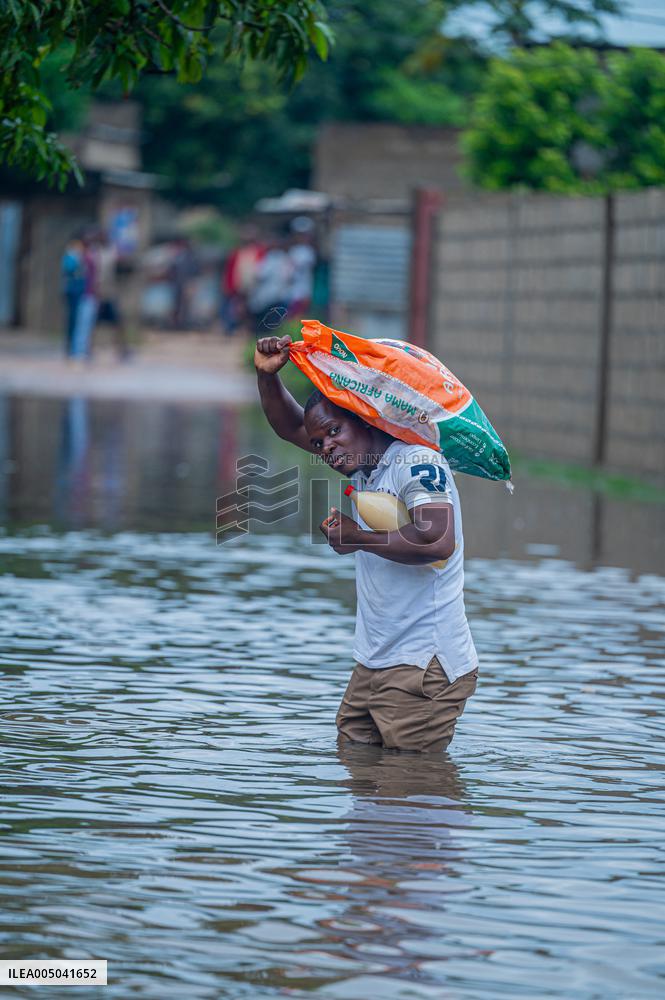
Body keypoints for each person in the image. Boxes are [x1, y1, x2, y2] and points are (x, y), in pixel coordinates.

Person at [254, 334, 479, 754]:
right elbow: (290, 426)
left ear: (363, 417)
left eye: (335, 431)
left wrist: (358, 538)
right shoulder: (365, 467)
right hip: (374, 663)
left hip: (423, 665)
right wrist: (267, 377)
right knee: (360, 782)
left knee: (413, 795)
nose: (327, 448)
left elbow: (438, 540)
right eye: (320, 443)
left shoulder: (417, 462)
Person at [95, 232, 131, 360]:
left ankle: (122, 350)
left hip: (109, 292)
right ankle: (87, 349)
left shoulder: (112, 251)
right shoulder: (95, 252)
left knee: (117, 322)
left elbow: (122, 266)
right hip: (96, 293)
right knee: (92, 323)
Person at [61, 235, 86, 357]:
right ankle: (70, 347)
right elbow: (69, 271)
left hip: (79, 292)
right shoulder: (70, 258)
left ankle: (75, 347)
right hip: (72, 292)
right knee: (72, 320)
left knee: (78, 321)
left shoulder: (80, 258)